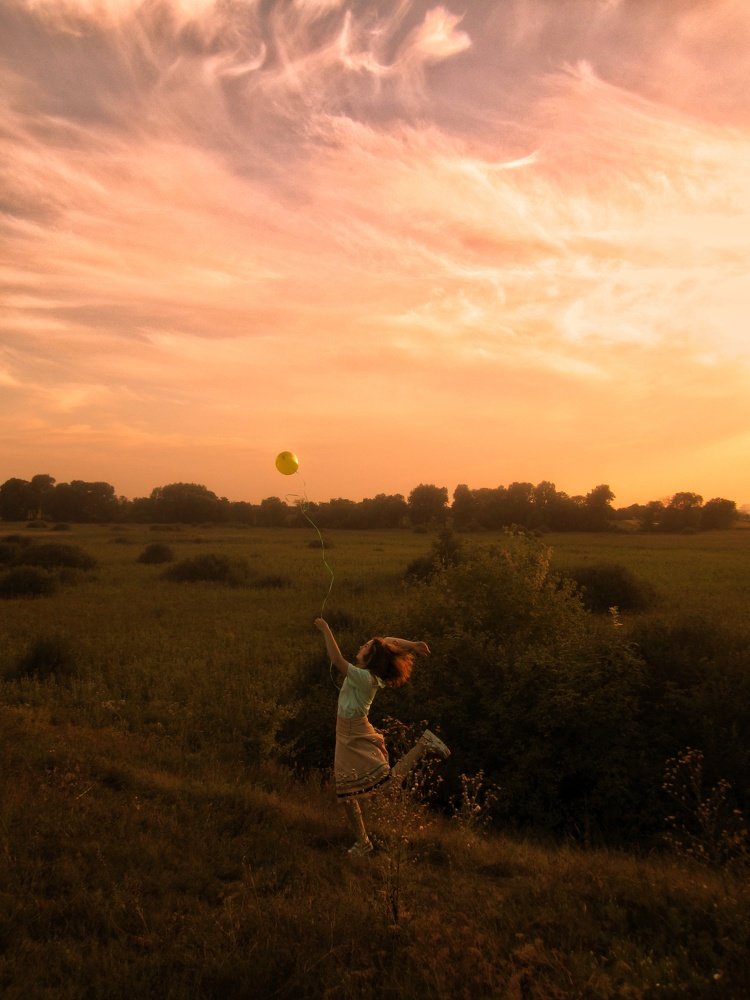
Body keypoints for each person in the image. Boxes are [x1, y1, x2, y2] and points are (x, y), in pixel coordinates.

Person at [314, 617, 450, 857]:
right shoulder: (367, 672)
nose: (362, 646)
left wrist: (326, 629)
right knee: (348, 792)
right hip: (347, 730)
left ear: (370, 659)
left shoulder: (365, 679)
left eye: (366, 648)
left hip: (353, 732)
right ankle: (363, 842)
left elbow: (336, 660)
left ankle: (423, 744)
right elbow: (388, 641)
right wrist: (413, 645)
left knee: (384, 783)